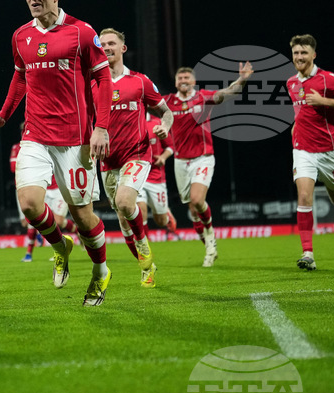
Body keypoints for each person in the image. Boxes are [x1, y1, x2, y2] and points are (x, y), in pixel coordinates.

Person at [0, 0, 114, 307]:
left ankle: (100, 272)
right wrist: (3, 115)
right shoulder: (20, 36)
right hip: (35, 134)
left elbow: (103, 79)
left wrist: (101, 127)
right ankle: (60, 247)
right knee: (29, 204)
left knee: (83, 217)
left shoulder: (81, 32)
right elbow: (20, 78)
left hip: (75, 139)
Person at [96, 29, 173, 287]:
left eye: (111, 43)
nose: (106, 47)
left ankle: (144, 247)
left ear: (123, 48)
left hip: (137, 154)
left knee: (125, 203)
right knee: (122, 218)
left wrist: (165, 126)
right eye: (102, 44)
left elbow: (166, 111)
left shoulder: (140, 81)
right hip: (107, 161)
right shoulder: (92, 83)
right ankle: (147, 266)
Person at [163, 59, 253, 267]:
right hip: (180, 161)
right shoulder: (167, 102)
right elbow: (146, 104)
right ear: (175, 82)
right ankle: (210, 248)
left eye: (187, 77)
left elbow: (229, 92)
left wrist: (242, 80)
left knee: (197, 199)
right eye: (180, 78)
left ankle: (210, 236)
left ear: (194, 81)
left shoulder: (203, 97)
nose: (183, 80)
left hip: (203, 157)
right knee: (193, 210)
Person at [286, 34, 334, 270]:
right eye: (296, 53)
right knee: (304, 196)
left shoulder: (328, 79)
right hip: (302, 149)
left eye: (304, 52)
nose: (299, 57)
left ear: (313, 55)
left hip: (329, 151)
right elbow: (300, 112)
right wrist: (295, 129)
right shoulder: (291, 83)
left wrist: (324, 101)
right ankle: (308, 253)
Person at [10, 122, 79, 262]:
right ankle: (31, 252)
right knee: (30, 220)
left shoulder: (47, 144)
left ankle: (72, 238)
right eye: (23, 129)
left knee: (57, 220)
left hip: (58, 187)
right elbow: (13, 167)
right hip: (39, 188)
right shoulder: (18, 148)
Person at [136, 113, 178, 239]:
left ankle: (166, 214)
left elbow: (170, 146)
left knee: (161, 221)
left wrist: (163, 157)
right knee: (140, 210)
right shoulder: (130, 122)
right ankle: (144, 243)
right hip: (137, 174)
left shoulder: (157, 123)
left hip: (156, 176)